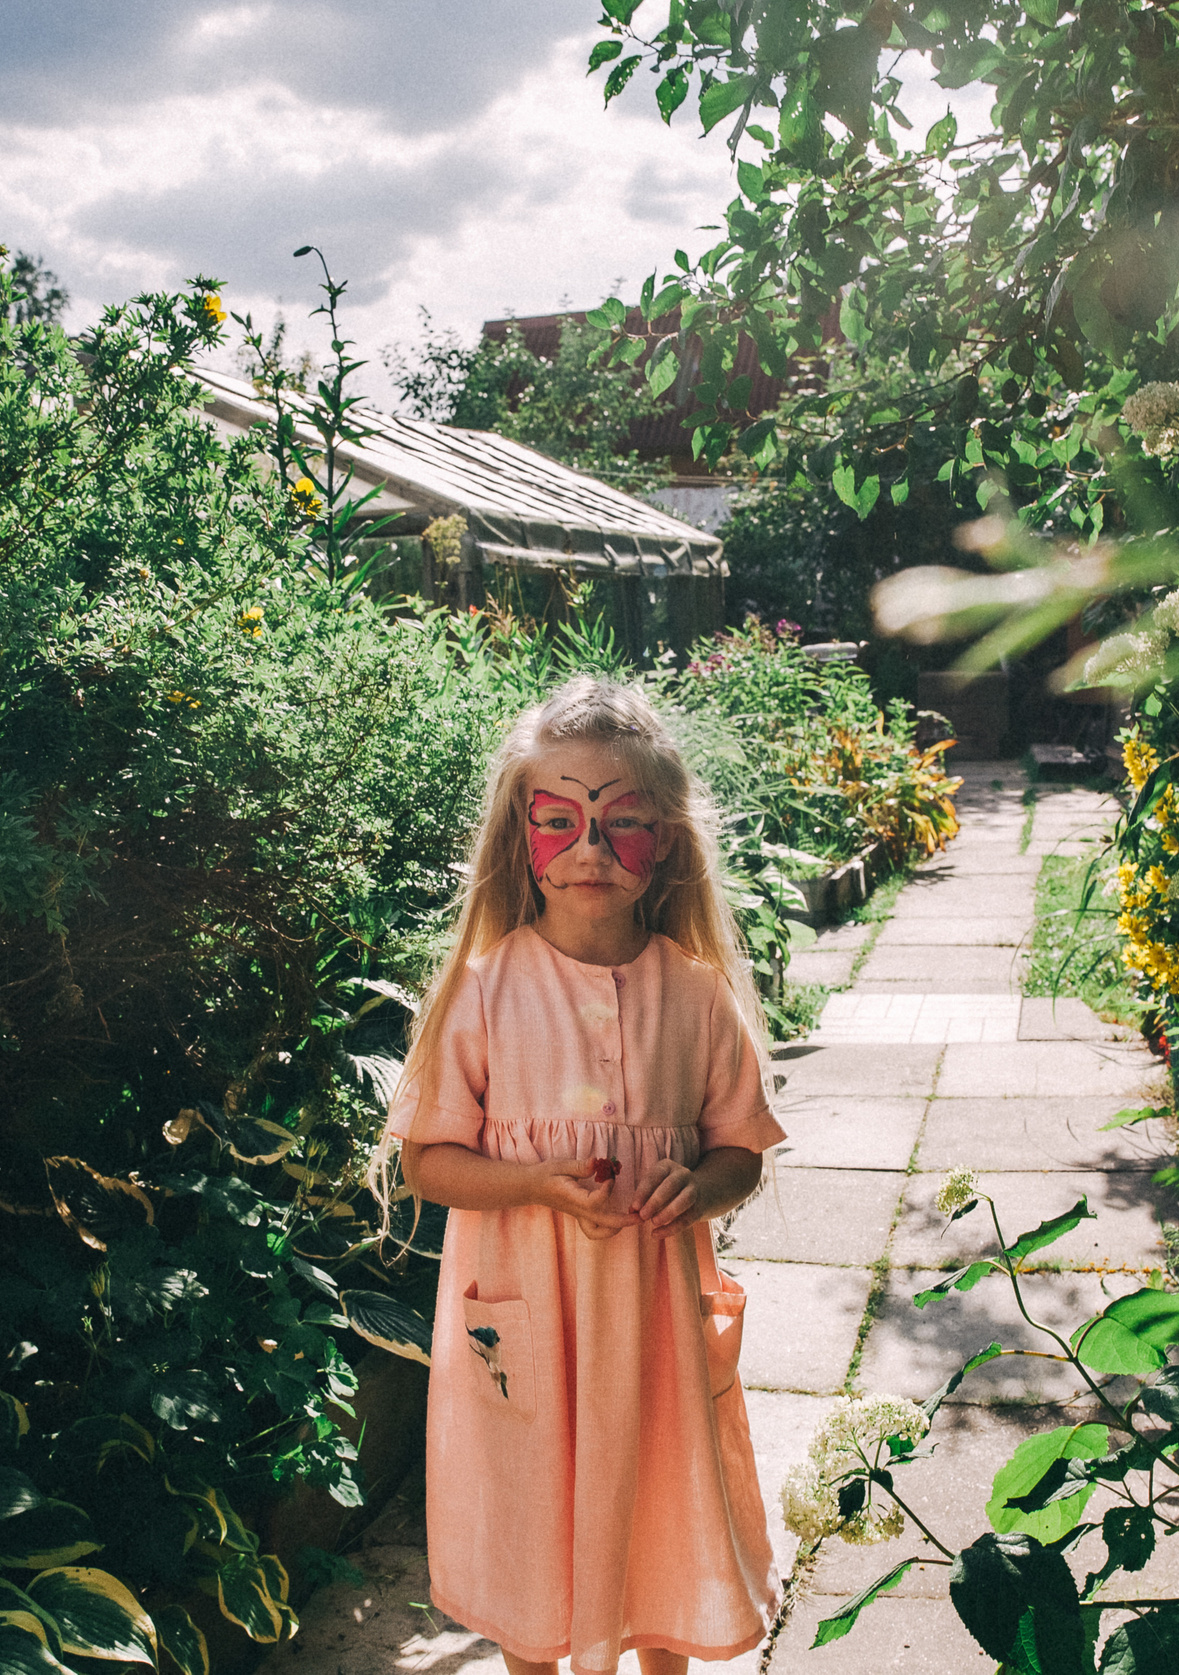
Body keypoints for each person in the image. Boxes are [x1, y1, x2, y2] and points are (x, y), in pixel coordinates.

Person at [379, 676, 787, 1675]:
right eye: (559, 820)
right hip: (525, 1321)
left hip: (652, 1322)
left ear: (666, 844)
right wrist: (530, 1182)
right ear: (524, 837)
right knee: (533, 1521)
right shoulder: (483, 992)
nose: (591, 848)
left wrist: (708, 1185)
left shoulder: (693, 998)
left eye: (622, 822)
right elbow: (430, 1163)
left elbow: (740, 1146)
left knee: (660, 1501)